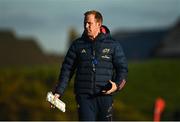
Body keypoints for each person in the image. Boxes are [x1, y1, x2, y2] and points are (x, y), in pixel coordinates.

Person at [51, 10, 128, 121]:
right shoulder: (77, 45)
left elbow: (123, 69)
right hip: (84, 98)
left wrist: (116, 85)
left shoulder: (113, 45)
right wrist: (58, 92)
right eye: (85, 23)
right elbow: (67, 70)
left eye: (89, 23)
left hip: (105, 98)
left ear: (98, 24)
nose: (86, 26)